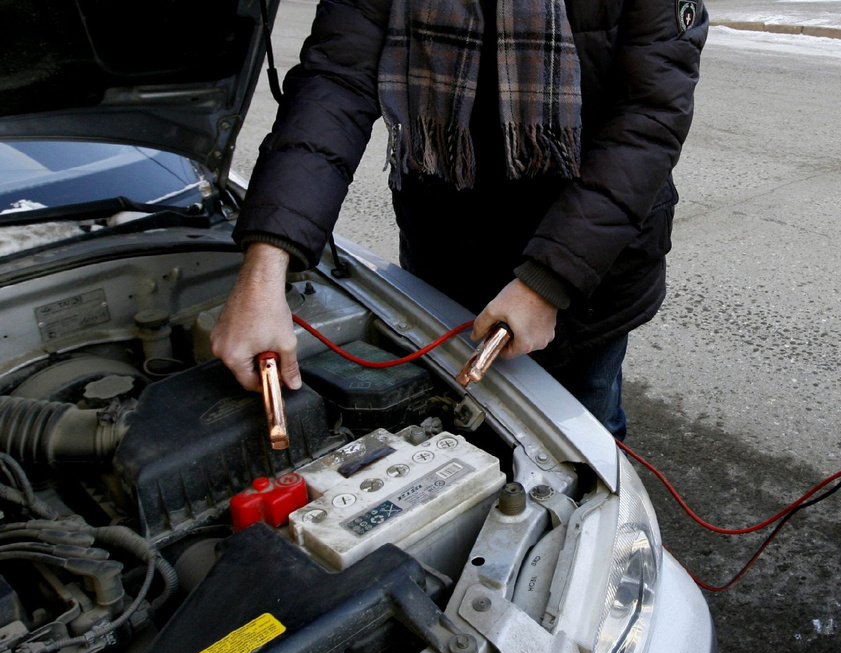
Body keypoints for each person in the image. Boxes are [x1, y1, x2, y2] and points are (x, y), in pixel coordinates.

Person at [210, 0, 707, 440]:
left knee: (586, 441)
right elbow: (336, 83)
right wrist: (263, 274)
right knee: (455, 433)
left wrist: (547, 282)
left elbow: (649, 118)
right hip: (446, 256)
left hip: (588, 271)